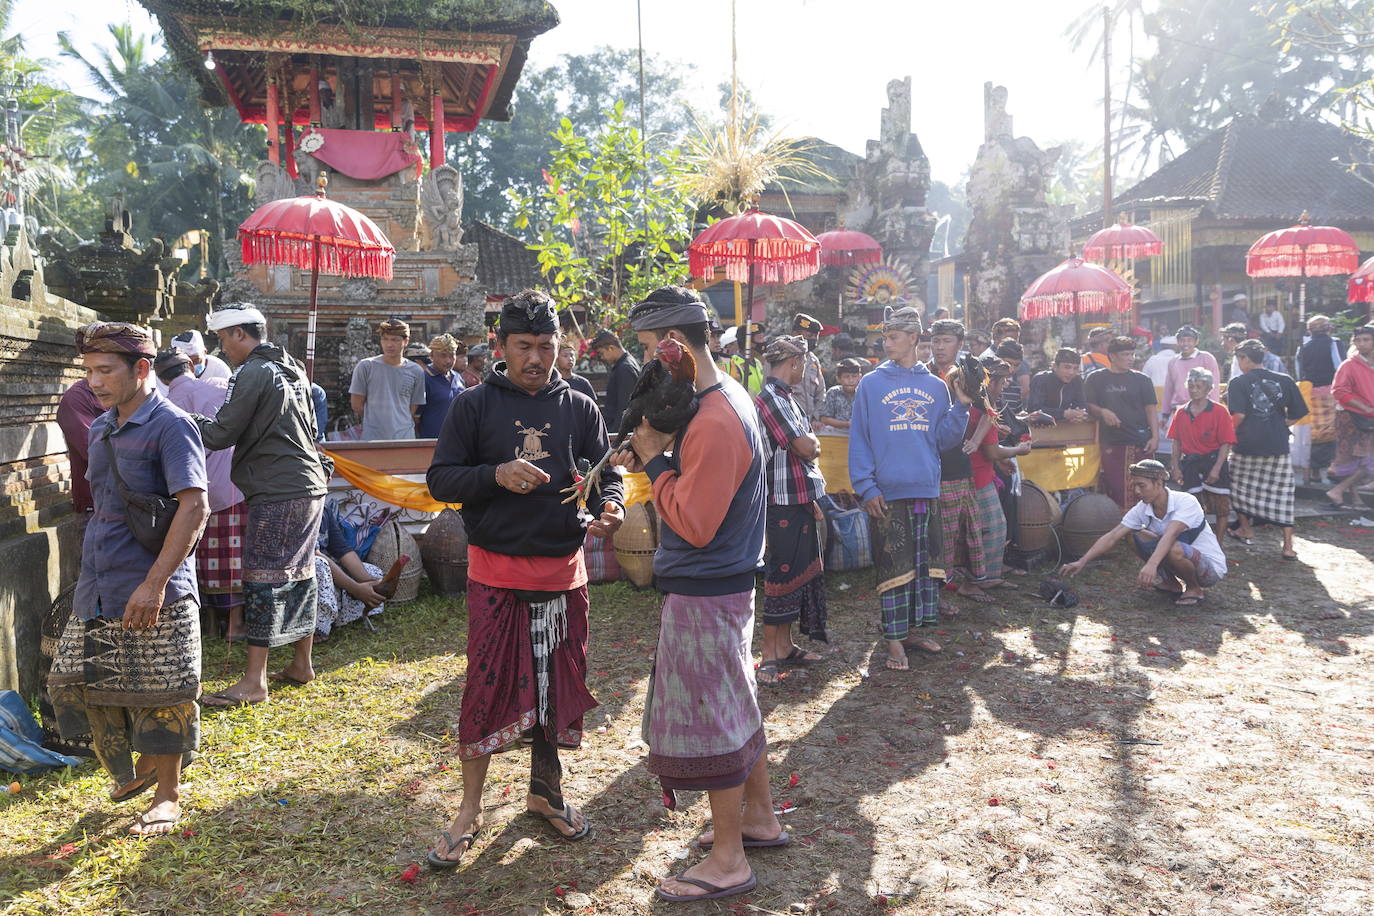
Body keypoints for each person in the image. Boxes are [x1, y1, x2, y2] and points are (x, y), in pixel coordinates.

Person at [424, 290, 623, 869]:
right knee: (485, 689)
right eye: (523, 346)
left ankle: (546, 792)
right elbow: (441, 479)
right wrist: (494, 474)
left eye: (545, 345)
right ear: (501, 346)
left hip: (564, 575)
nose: (536, 358)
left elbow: (604, 473)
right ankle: (469, 810)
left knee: (555, 690)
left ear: (561, 345)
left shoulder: (580, 405)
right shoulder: (473, 406)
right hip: (497, 573)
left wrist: (611, 506)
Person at [608, 285, 779, 903]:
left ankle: (729, 859)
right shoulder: (724, 397)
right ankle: (760, 818)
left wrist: (656, 462)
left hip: (707, 588)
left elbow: (696, 523)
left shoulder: (715, 418)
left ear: (675, 344)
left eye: (651, 349)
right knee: (735, 704)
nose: (648, 363)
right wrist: (658, 457)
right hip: (724, 584)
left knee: (713, 721)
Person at [48, 321, 209, 836]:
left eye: (105, 370)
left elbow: (194, 507)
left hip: (154, 583)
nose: (93, 382)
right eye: (88, 371)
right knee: (73, 682)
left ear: (141, 369)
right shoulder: (101, 427)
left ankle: (168, 794)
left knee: (163, 691)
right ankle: (138, 766)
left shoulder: (172, 425)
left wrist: (155, 584)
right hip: (100, 581)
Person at [192, 305, 331, 706]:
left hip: (278, 488)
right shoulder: (292, 368)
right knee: (301, 572)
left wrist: (184, 419)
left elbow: (220, 434)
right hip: (308, 483)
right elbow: (312, 428)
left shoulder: (252, 371)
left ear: (240, 334)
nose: (222, 349)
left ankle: (254, 681)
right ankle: (301, 664)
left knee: (262, 577)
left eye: (223, 339)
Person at [851, 307, 971, 668]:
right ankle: (894, 642)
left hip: (926, 489)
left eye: (893, 337)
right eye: (885, 337)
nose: (887, 343)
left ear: (914, 338)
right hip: (887, 493)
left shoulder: (935, 386)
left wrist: (962, 406)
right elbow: (860, 438)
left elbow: (943, 440)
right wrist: (866, 487)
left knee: (925, 570)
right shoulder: (870, 384)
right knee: (893, 570)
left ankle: (914, 631)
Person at [155, 348, 247, 641]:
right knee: (233, 557)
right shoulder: (219, 387)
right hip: (232, 487)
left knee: (197, 557)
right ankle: (234, 624)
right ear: (192, 367)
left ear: (161, 378)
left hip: (191, 493)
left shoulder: (164, 406)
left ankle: (208, 623)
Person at [753, 335, 827, 686]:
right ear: (795, 363)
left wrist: (811, 444)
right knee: (781, 575)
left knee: (795, 571)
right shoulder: (772, 398)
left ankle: (784, 646)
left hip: (794, 496)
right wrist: (812, 443)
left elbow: (806, 446)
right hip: (779, 499)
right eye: (804, 364)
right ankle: (769, 652)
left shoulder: (784, 397)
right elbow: (805, 446)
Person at [1059, 459, 1226, 607]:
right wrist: (1082, 561)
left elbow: (1171, 535)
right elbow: (1113, 535)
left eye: (1142, 486)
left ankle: (1194, 589)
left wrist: (1151, 565)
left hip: (1209, 570)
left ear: (1158, 484)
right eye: (1135, 486)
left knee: (1173, 547)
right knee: (1132, 535)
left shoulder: (1186, 501)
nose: (1137, 491)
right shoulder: (1142, 508)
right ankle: (1171, 583)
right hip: (1179, 558)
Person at [928, 318, 993, 602]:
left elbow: (989, 411)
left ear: (960, 344)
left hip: (959, 465)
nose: (940, 347)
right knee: (938, 533)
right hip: (932, 465)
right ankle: (937, 591)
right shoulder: (924, 373)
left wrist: (976, 441)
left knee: (964, 529)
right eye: (936, 341)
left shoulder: (969, 373)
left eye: (947, 341)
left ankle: (965, 583)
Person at [1225, 339, 1308, 559]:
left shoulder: (1238, 382)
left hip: (1246, 446)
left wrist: (1225, 434)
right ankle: (1288, 546)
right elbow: (1300, 412)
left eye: (1239, 358)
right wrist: (1281, 425)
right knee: (1283, 494)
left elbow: (1238, 415)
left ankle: (1245, 528)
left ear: (1244, 358)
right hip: (1277, 446)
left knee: (1238, 489)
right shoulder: (1285, 380)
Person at [967, 357, 1032, 585]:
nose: (1005, 386)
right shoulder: (984, 408)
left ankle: (981, 575)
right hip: (977, 478)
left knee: (982, 529)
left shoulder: (970, 403)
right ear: (990, 382)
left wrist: (1000, 460)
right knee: (994, 528)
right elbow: (992, 451)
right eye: (1002, 381)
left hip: (976, 474)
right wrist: (1018, 450)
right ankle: (983, 577)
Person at [1086, 336, 1159, 509]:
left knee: (1144, 487)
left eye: (1132, 354)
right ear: (1112, 356)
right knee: (1115, 487)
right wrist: (1102, 411)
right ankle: (1120, 523)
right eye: (1125, 355)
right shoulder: (1095, 378)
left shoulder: (1142, 379)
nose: (1130, 358)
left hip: (1139, 441)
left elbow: (1150, 410)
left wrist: (1155, 437)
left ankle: (1145, 522)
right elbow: (1088, 404)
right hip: (1111, 442)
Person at [1167, 367, 1236, 541]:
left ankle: (1218, 545)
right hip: (1191, 463)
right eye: (1191, 386)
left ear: (1209, 389)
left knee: (1221, 507)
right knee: (1192, 506)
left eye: (1199, 386)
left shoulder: (1220, 411)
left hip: (1213, 461)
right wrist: (1176, 467)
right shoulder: (1181, 412)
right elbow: (1176, 442)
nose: (1194, 390)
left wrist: (1217, 469)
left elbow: (1226, 442)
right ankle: (1197, 541)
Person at [313, 507, 386, 641]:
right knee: (319, 566)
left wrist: (368, 582)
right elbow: (316, 555)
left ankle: (335, 615)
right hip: (303, 574)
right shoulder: (299, 511)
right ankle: (317, 629)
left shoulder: (324, 510)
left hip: (329, 568)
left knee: (373, 571)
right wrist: (356, 589)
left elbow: (343, 551)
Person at [349, 318, 426, 440]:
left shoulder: (416, 371)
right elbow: (356, 405)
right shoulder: (366, 366)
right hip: (372, 438)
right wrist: (376, 422)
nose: (389, 344)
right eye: (385, 339)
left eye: (395, 340)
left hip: (405, 437)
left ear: (405, 341)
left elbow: (413, 407)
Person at [1325, 325, 1374, 508]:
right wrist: (1365, 408)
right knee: (1359, 460)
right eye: (1358, 340)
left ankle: (1349, 496)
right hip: (1351, 417)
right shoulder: (1349, 365)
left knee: (1361, 460)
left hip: (1368, 417)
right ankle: (1341, 492)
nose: (1362, 343)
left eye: (1366, 340)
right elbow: (1339, 391)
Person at [1298, 314, 1344, 478]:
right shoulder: (1334, 343)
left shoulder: (1303, 346)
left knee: (1314, 431)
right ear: (1328, 328)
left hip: (1310, 392)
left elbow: (1300, 371)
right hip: (1331, 393)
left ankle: (1314, 470)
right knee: (1332, 429)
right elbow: (1340, 367)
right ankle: (1332, 466)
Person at [1160, 325, 1221, 419]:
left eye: (1189, 340)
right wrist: (1165, 413)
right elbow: (1169, 388)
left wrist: (1213, 410)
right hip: (1179, 409)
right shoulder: (1173, 362)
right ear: (1177, 342)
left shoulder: (1206, 358)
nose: (1185, 344)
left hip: (1203, 409)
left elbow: (1214, 385)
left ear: (1196, 342)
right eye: (1182, 340)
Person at [588, 328, 641, 432]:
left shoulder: (625, 368)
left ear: (611, 348)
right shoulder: (624, 365)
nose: (602, 358)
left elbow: (624, 406)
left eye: (601, 353)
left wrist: (616, 435)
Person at [417, 334, 465, 438]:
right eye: (443, 356)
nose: (448, 360)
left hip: (458, 440)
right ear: (431, 356)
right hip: (432, 441)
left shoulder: (457, 377)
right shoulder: (424, 378)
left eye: (452, 355)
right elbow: (416, 417)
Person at [1027, 348, 1089, 423]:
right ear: (1055, 366)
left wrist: (1079, 415)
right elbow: (1034, 410)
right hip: (1041, 427)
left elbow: (1082, 405)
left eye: (1075, 368)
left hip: (1067, 427)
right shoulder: (1041, 379)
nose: (1071, 372)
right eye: (1067, 367)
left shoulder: (1077, 380)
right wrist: (1063, 414)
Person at [791, 313, 828, 422]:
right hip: (789, 419)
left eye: (816, 336)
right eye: (809, 336)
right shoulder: (782, 358)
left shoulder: (813, 360)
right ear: (795, 334)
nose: (813, 339)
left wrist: (816, 417)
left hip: (810, 421)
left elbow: (821, 392)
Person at [818, 358, 865, 435]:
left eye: (854, 376)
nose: (851, 380)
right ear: (838, 379)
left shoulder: (863, 394)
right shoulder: (833, 393)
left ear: (860, 377)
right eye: (846, 377)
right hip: (836, 432)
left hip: (859, 433)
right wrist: (847, 424)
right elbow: (824, 419)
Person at [992, 339, 1030, 417]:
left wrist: (1024, 417)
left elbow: (1015, 416)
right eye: (1008, 363)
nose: (1011, 369)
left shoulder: (1015, 388)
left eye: (1016, 365)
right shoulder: (987, 385)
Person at [728, 322, 767, 395]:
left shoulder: (757, 362)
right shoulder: (733, 364)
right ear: (748, 342)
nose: (764, 341)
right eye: (760, 338)